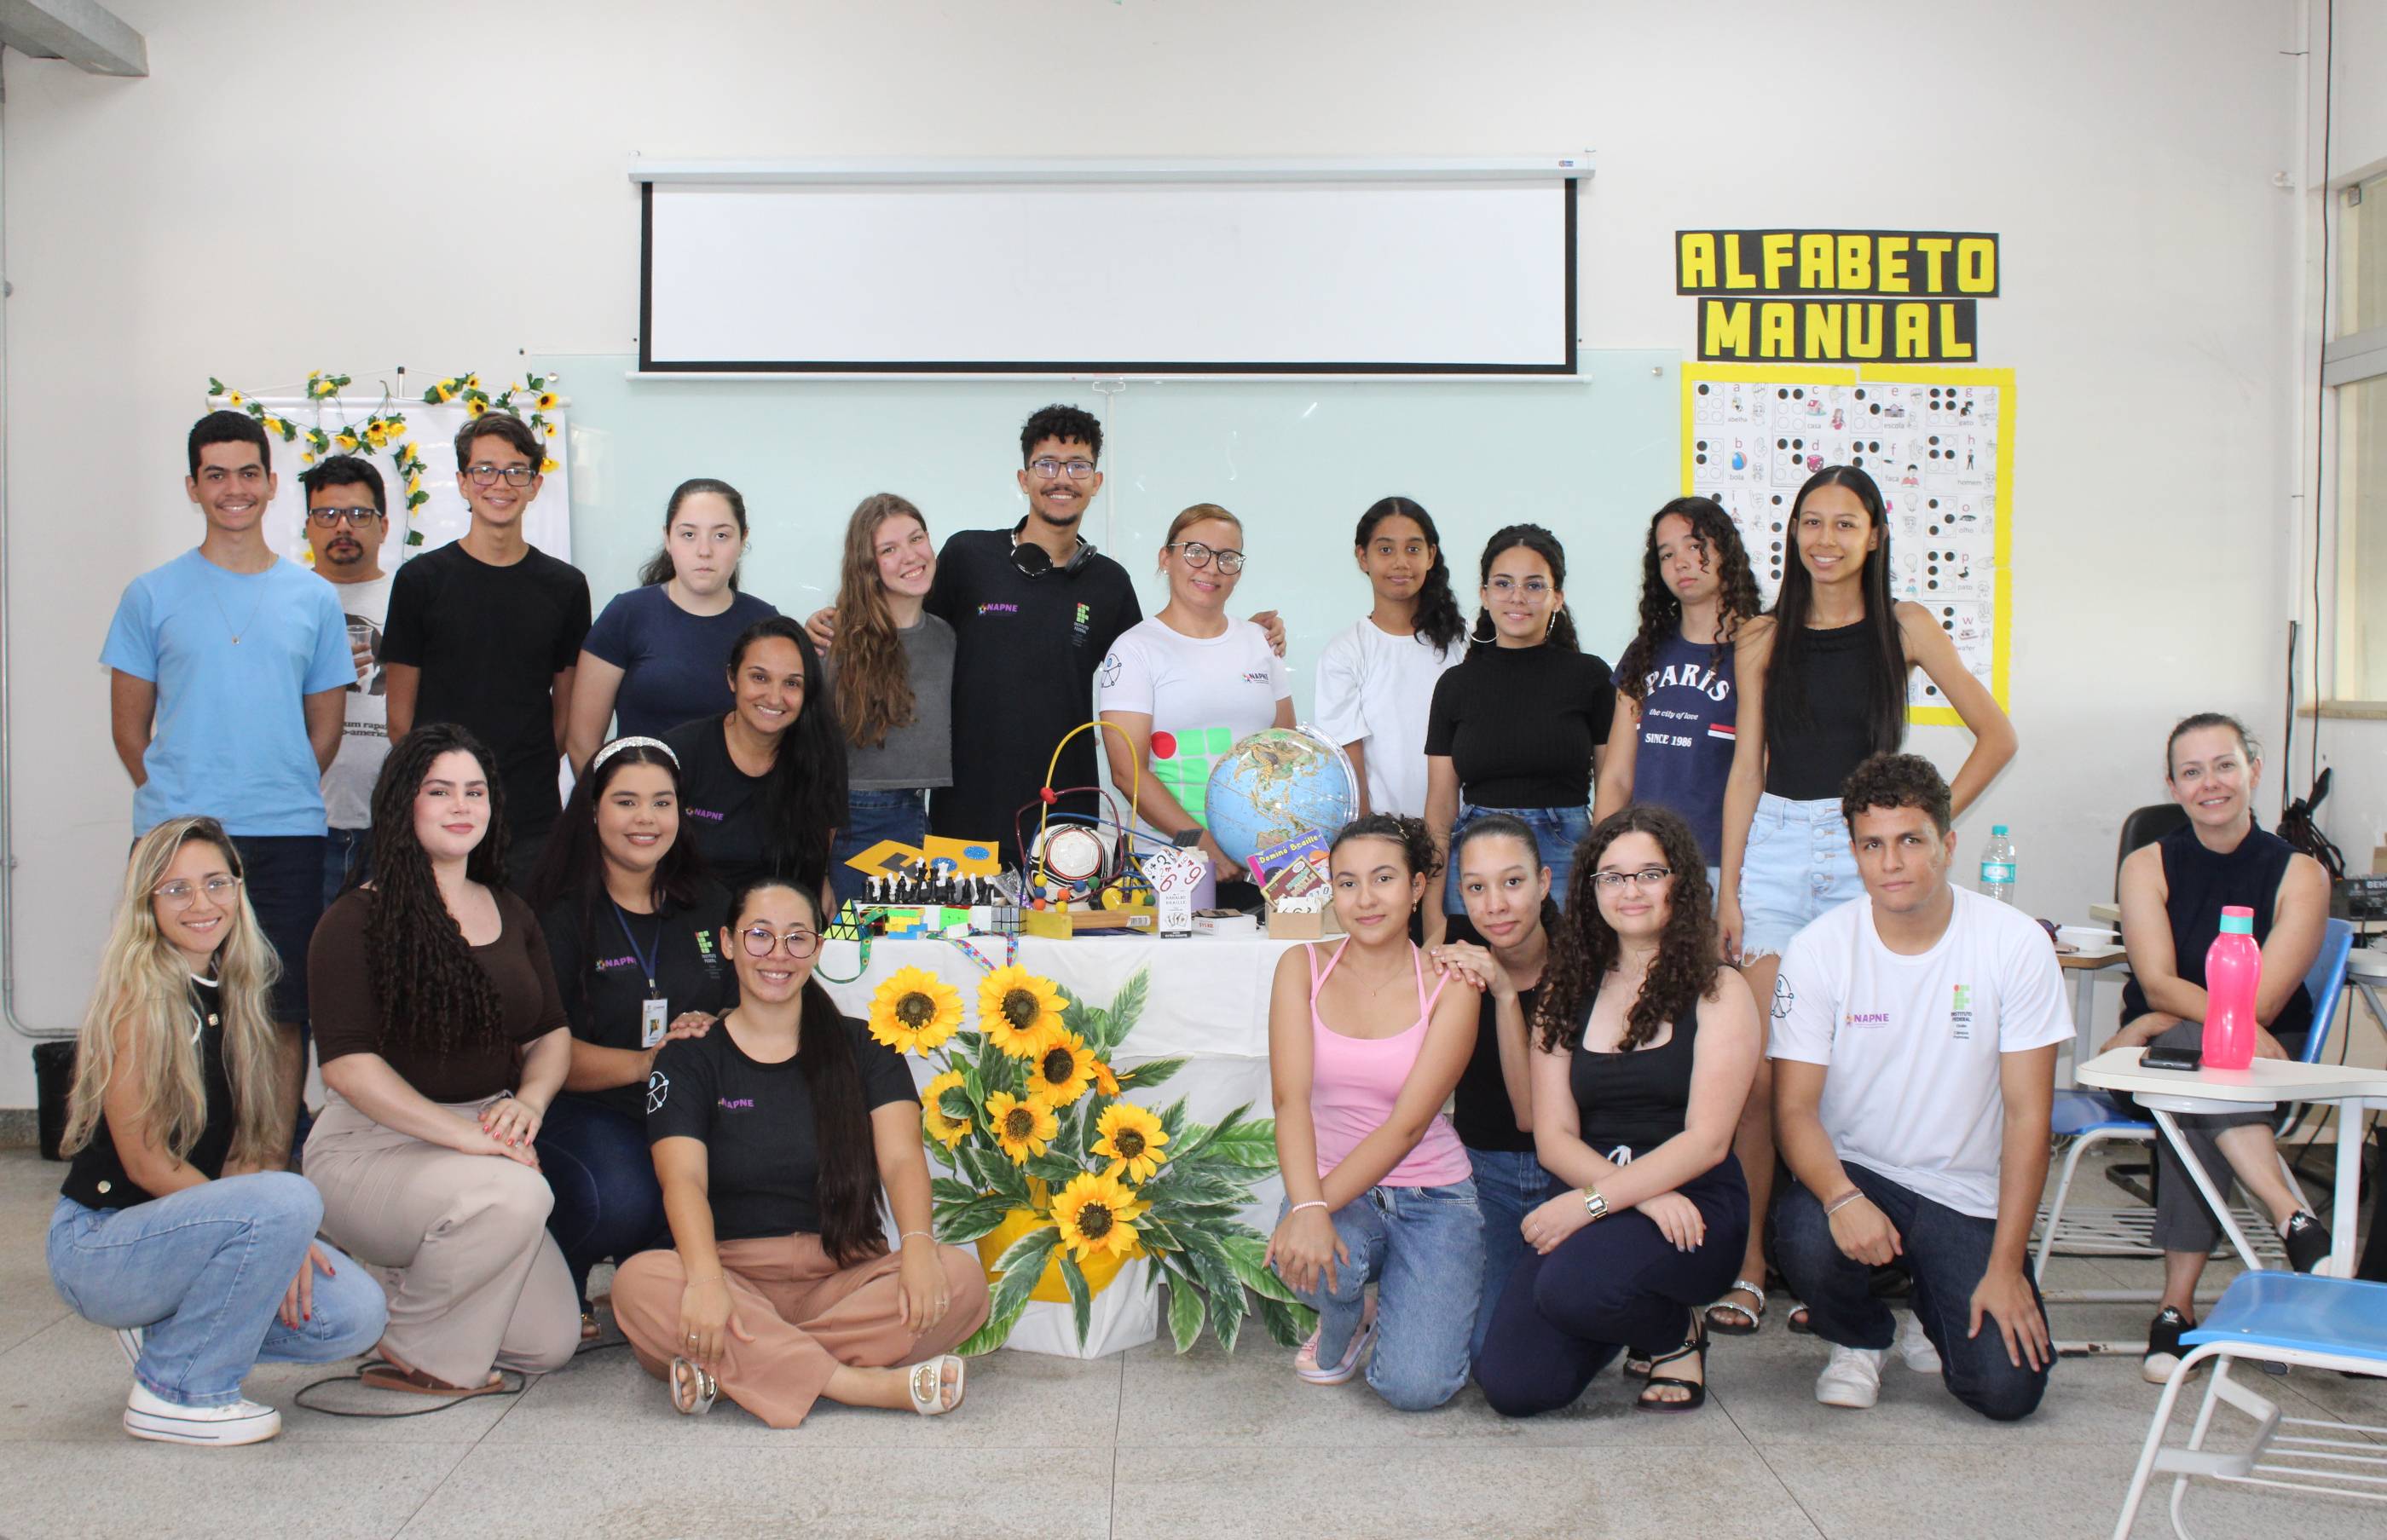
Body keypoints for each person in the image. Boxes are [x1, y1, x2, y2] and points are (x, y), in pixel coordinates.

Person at [1704, 466, 2017, 1341]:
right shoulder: (1761, 636)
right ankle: (1752, 1267)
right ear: (1793, 533)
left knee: (1852, 1068)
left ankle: (1833, 1264)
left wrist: (1919, 829)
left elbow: (1997, 735)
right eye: (1812, 521)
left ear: (1875, 533)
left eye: (1845, 523)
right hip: (1773, 853)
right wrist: (1729, 887)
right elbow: (1747, 769)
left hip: (1860, 853)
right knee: (1763, 1075)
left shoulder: (1905, 626)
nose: (1826, 539)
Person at [806, 405, 1280, 864]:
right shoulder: (967, 556)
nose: (1062, 478)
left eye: (1078, 465)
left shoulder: (1109, 583)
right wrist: (840, 622)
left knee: (1069, 921)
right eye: (1047, 464)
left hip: (1068, 814)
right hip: (965, 812)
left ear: (1096, 482)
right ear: (1024, 478)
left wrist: (1243, 638)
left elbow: (1163, 655)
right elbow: (906, 630)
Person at [48, 817, 385, 1445]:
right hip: (102, 1244)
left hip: (186, 1235)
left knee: (356, 1316)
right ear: (147, 903)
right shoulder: (137, 1001)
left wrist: (275, 1241)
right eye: (176, 889)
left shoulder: (235, 993)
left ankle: (171, 1336)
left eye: (215, 883)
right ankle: (176, 1391)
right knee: (291, 1197)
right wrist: (267, 1223)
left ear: (238, 889)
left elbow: (240, 1157)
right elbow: (146, 1162)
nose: (201, 903)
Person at [612, 875, 988, 1425]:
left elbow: (902, 1159)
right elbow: (683, 1180)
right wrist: (707, 1282)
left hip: (844, 1275)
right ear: (728, 943)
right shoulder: (689, 1057)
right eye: (760, 935)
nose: (778, 954)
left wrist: (919, 1249)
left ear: (817, 947)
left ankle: (740, 1368)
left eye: (797, 938)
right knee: (639, 1284)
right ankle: (856, 1384)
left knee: (960, 1278)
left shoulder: (867, 1046)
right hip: (732, 1275)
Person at [1769, 753, 2062, 1421]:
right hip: (1861, 1174)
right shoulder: (1818, 949)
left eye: (1910, 839)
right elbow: (1794, 1108)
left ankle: (1934, 1309)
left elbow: (2027, 1117)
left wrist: (2005, 1266)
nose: (1892, 862)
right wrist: (1842, 1196)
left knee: (2007, 1392)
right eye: (1873, 844)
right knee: (1805, 1230)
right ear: (1854, 853)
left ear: (1947, 844)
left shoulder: (2015, 944)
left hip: (1965, 1193)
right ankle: (1859, 1336)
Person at [303, 724, 581, 1395]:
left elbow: (550, 1033)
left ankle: (403, 1281)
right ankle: (417, 1351)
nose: (461, 805)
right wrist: (468, 1138)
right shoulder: (354, 919)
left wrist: (529, 1102)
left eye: (475, 791)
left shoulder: (511, 909)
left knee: (548, 1343)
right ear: (403, 801)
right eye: (440, 790)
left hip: (478, 1140)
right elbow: (346, 1067)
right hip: (371, 1146)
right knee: (519, 1194)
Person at [104, 411, 352, 1133]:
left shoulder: (313, 597)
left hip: (286, 835)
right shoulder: (150, 594)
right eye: (216, 475)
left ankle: (267, 1159)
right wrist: (180, 807)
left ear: (271, 483)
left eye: (248, 473)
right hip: (176, 839)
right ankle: (174, 1160)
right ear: (193, 486)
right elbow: (128, 730)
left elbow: (325, 729)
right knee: (166, 1005)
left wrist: (273, 784)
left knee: (281, 1009)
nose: (233, 489)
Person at [1474, 806, 1760, 1416]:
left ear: (1680, 882)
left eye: (1649, 873)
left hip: (1693, 1207)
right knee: (1513, 1385)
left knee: (1573, 1286)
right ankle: (1628, 1312)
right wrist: (1624, 1198)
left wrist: (1593, 1204)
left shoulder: (1720, 990)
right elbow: (1553, 1137)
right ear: (1591, 889)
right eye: (1613, 876)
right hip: (1604, 1195)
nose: (1631, 890)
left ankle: (1674, 1336)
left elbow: (1708, 1140)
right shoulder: (1566, 988)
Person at [2099, 713, 2333, 1381]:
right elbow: (2155, 980)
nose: (2211, 783)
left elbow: (2257, 1010)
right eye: (2193, 771)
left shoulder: (2302, 874)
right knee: (2188, 1061)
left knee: (2192, 1068)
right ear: (2173, 785)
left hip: (2262, 1059)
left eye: (2225, 765)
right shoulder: (2147, 864)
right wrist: (2157, 1016)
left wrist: (2157, 1019)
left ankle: (2174, 1309)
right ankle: (2291, 1214)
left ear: (2253, 770)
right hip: (2149, 1068)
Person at [1265, 815, 1480, 1410]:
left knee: (1415, 1388)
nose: (1365, 899)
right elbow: (1289, 1101)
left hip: (1432, 1195)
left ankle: (1397, 1298)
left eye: (1383, 879)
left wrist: (1310, 1210)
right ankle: (1350, 1313)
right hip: (1336, 1185)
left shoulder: (1452, 984)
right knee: (1313, 1252)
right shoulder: (1302, 966)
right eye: (1347, 882)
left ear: (1416, 887)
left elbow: (1406, 1127)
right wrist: (1308, 1209)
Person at [523, 735, 734, 1337]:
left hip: (691, 1109)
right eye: (626, 801)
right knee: (624, 1197)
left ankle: (646, 1284)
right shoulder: (556, 912)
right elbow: (536, 1048)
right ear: (592, 810)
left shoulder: (710, 902)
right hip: (588, 1109)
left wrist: (715, 1027)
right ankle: (554, 1268)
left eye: (662, 802)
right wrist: (647, 1062)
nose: (646, 818)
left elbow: (748, 1003)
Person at [383, 411, 592, 879]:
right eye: (484, 470)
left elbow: (566, 714)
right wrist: (445, 790)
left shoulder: (566, 587)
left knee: (528, 928)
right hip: (439, 816)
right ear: (462, 482)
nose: (500, 484)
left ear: (535, 485)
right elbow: (400, 718)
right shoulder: (420, 581)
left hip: (530, 819)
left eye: (516, 471)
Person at [1423, 524, 1615, 943]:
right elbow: (1440, 805)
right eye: (1503, 583)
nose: (1517, 597)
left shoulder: (1591, 677)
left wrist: (1606, 871)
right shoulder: (1456, 685)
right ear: (1484, 594)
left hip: (1568, 852)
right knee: (1472, 978)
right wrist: (1432, 903)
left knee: (1567, 974)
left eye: (1534, 585)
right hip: (1475, 855)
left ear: (1557, 597)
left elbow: (1613, 787)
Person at [1099, 504, 1292, 898]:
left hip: (1261, 864)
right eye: (1196, 552)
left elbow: (1288, 754)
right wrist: (1202, 843)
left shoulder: (1261, 642)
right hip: (1172, 866)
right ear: (1165, 559)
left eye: (1227, 557)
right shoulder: (1135, 650)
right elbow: (1127, 773)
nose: (1211, 568)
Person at [1427, 813, 1554, 1361]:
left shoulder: (1582, 956)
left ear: (1544, 882)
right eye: (1477, 888)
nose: (1496, 905)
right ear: (1461, 893)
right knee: (1483, 1350)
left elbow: (1532, 1118)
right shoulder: (1453, 945)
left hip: (1568, 1174)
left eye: (1513, 882)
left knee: (1552, 1323)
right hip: (1483, 1176)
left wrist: (1504, 996)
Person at [1592, 498, 1764, 880]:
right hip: (1644, 867)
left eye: (1694, 546)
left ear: (1726, 551)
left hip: (1725, 866)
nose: (1681, 563)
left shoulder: (1758, 650)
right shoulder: (1644, 651)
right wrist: (1602, 865)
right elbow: (1617, 776)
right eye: (1666, 554)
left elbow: (1759, 773)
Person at [567, 478, 777, 769]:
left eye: (721, 536)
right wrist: (611, 796)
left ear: (743, 540)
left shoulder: (764, 624)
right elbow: (582, 743)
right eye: (688, 534)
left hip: (737, 796)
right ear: (667, 538)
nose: (704, 550)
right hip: (642, 794)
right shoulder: (626, 615)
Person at [825, 493, 953, 909]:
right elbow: (811, 762)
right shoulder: (835, 642)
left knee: (918, 952)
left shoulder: (948, 638)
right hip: (856, 827)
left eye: (916, 539)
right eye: (888, 549)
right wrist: (817, 872)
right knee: (854, 948)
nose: (910, 556)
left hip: (935, 825)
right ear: (867, 565)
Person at [662, 616, 847, 896]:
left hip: (788, 916)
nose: (774, 698)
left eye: (792, 683)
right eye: (760, 678)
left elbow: (823, 849)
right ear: (732, 678)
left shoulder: (822, 752)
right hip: (694, 914)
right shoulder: (681, 751)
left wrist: (823, 883)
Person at [1313, 498, 1466, 819]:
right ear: (1362, 557)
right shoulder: (1345, 652)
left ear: (1431, 556)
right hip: (1388, 834)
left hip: (1467, 830)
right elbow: (1348, 767)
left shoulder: (1464, 641)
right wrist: (1373, 837)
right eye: (1385, 550)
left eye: (1413, 549)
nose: (1400, 563)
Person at [303, 453, 396, 904]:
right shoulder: (285, 602)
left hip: (395, 829)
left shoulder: (411, 600)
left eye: (359, 514)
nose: (343, 526)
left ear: (383, 526)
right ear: (308, 527)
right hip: (302, 824)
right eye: (327, 514)